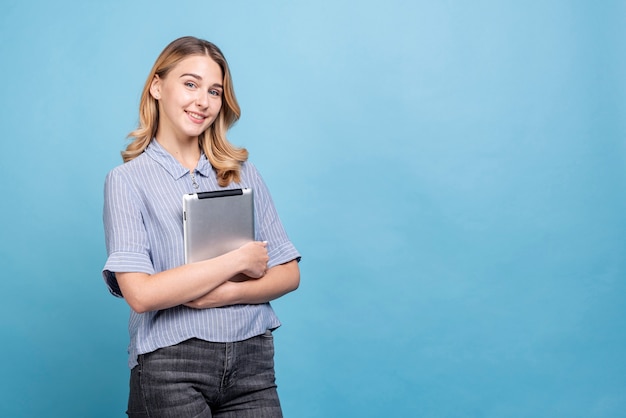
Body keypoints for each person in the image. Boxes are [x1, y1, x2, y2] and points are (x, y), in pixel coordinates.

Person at [102, 36, 301, 418]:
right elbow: (141, 295)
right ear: (157, 86)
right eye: (190, 84)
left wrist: (215, 296)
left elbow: (288, 273)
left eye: (214, 91)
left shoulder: (243, 174)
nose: (203, 101)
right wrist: (238, 260)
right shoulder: (126, 180)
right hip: (170, 368)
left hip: (252, 362)